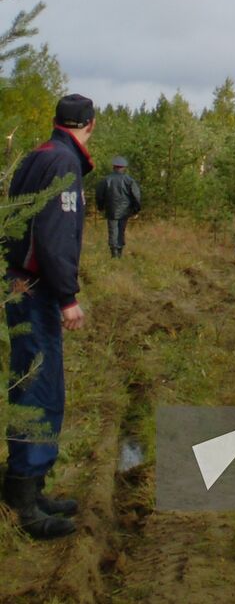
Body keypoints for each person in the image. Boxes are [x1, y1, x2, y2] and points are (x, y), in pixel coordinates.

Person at [2, 93, 96, 539]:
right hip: (36, 288)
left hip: (19, 281)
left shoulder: (36, 155)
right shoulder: (63, 163)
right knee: (38, 386)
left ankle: (30, 485)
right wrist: (67, 297)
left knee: (33, 381)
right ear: (89, 125)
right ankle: (23, 500)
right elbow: (54, 237)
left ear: (57, 120)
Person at [95, 155, 141, 257]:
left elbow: (99, 195)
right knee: (121, 230)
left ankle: (114, 253)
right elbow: (136, 196)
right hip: (125, 210)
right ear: (124, 168)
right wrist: (135, 210)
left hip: (111, 209)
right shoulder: (129, 180)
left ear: (113, 167)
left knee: (112, 230)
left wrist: (101, 207)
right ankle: (119, 251)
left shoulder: (106, 180)